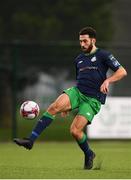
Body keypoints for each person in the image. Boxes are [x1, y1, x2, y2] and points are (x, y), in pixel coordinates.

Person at [14, 26, 127, 170]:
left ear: (93, 40)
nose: (82, 44)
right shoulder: (78, 59)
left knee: (75, 131)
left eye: (85, 41)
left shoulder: (104, 55)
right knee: (54, 107)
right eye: (80, 41)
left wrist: (107, 81)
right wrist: (68, 104)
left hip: (93, 99)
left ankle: (89, 154)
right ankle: (30, 140)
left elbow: (122, 71)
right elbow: (80, 79)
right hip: (77, 92)